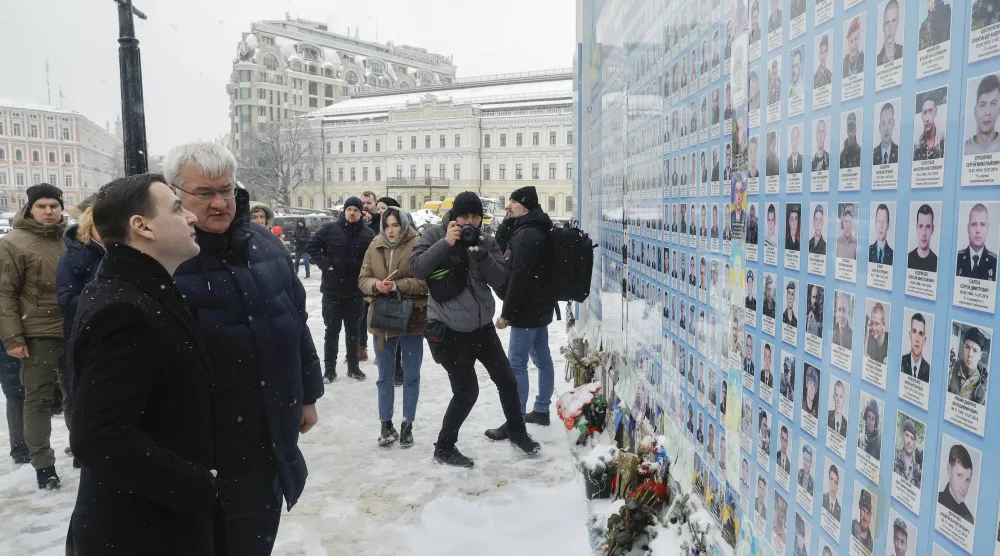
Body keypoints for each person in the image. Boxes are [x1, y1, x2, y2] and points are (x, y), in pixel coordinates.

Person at [167, 143, 324, 555]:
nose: (219, 203)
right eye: (204, 193)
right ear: (175, 193)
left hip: (270, 435)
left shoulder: (265, 244)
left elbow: (297, 323)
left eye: (225, 189)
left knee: (255, 539)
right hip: (204, 446)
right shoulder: (165, 258)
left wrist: (308, 395)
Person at [67, 173, 219, 555]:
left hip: (154, 522)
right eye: (177, 208)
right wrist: (194, 484)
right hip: (143, 532)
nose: (192, 216)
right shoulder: (125, 308)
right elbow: (98, 436)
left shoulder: (140, 290)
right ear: (142, 226)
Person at [410, 192, 540, 467]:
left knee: (507, 380)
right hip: (449, 329)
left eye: (475, 217)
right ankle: (444, 448)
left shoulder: (485, 239)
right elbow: (417, 269)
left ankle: (517, 433)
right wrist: (446, 243)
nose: (469, 222)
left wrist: (482, 256)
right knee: (467, 392)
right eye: (464, 216)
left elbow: (501, 278)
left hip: (482, 328)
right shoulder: (434, 235)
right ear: (453, 216)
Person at [0, 183, 70, 489]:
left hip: (73, 328)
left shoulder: (70, 238)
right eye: (41, 206)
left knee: (76, 395)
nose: (49, 211)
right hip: (37, 333)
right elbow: (4, 293)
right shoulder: (13, 243)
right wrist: (13, 338)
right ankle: (44, 465)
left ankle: (83, 451)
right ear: (30, 208)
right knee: (38, 399)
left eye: (54, 206)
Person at [358, 206, 428, 449]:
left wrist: (398, 285)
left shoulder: (418, 243)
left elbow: (424, 282)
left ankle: (408, 424)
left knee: (411, 376)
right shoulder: (374, 245)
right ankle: (386, 424)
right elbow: (363, 278)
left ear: (404, 225)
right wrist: (376, 285)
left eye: (395, 225)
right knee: (384, 377)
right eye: (387, 225)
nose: (390, 230)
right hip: (383, 320)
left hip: (412, 320)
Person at [497, 187, 557, 429]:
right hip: (540, 306)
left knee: (517, 364)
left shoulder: (527, 234)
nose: (508, 206)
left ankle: (516, 420)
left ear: (524, 204)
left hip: (525, 310)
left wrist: (507, 314)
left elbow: (519, 278)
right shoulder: (539, 227)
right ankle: (541, 409)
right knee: (543, 359)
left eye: (512, 201)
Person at [307, 197, 376, 381]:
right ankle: (329, 370)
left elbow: (374, 258)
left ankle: (353, 368)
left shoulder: (368, 234)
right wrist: (325, 264)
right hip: (332, 291)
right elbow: (312, 246)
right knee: (332, 332)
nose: (352, 213)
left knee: (354, 332)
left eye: (356, 210)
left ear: (361, 213)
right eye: (349, 209)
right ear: (344, 211)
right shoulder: (329, 229)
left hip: (355, 292)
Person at [55, 195, 105, 437]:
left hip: (114, 331)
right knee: (85, 395)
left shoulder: (120, 253)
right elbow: (66, 301)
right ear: (89, 226)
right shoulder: (73, 257)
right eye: (101, 225)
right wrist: (101, 298)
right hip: (84, 333)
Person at [947, 326, 989, 404]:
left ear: (980, 355)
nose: (970, 354)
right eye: (967, 347)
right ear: (963, 348)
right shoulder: (950, 371)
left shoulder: (983, 387)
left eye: (975, 350)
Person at [956, 203, 998, 281]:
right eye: (974, 224)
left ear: (987, 228)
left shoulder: (995, 262)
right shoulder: (957, 259)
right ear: (968, 228)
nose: (978, 230)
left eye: (982, 225)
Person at [939, 443, 976, 523]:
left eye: (967, 480)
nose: (964, 488)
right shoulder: (937, 500)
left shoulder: (969, 519)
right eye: (959, 475)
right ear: (949, 469)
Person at [965, 75, 1000, 155]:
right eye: (982, 104)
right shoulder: (964, 149)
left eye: (993, 104)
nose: (987, 112)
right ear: (975, 110)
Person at [914, 90, 947, 160]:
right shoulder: (917, 146)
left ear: (935, 112)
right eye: (925, 112)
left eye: (930, 111)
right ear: (922, 117)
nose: (927, 118)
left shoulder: (943, 140)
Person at [893, 417, 923, 487]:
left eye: (912, 438)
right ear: (903, 436)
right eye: (907, 435)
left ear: (914, 442)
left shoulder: (918, 472)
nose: (909, 441)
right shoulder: (894, 459)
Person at [908, 203, 939, 272]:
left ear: (932, 229)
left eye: (928, 227)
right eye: (921, 226)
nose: (924, 233)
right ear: (916, 228)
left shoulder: (937, 263)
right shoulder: (907, 259)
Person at [902, 313, 931, 382]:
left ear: (924, 340)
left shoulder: (929, 371)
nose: (917, 339)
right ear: (910, 335)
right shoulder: (901, 362)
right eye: (914, 331)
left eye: (921, 333)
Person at [878, 0, 903, 65]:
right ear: (883, 26)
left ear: (897, 23)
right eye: (887, 22)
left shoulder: (903, 51)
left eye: (893, 21)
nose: (890, 28)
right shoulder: (877, 61)